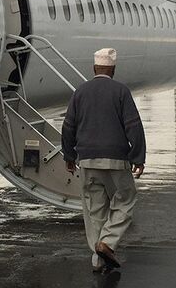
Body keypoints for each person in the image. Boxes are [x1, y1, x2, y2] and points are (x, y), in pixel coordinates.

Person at [61, 47, 146, 272]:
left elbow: (68, 126)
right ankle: (107, 243)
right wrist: (138, 156)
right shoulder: (121, 91)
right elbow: (133, 126)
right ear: (113, 69)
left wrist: (69, 155)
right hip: (117, 159)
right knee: (125, 200)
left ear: (94, 68)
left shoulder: (80, 92)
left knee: (94, 209)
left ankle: (98, 260)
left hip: (87, 160)